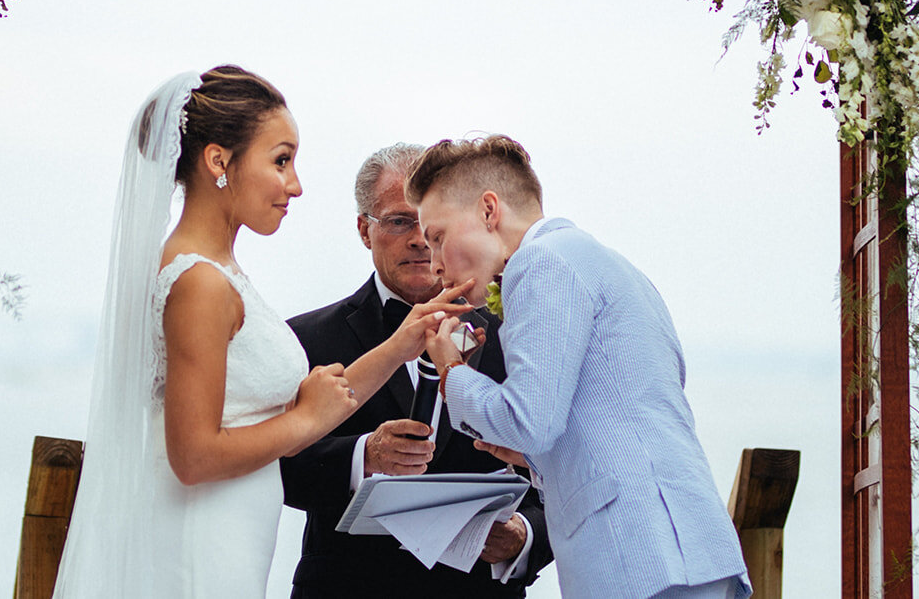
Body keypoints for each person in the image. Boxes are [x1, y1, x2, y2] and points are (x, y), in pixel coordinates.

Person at [53, 68, 473, 598]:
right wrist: (305, 422)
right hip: (200, 540)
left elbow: (305, 400)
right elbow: (194, 456)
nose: (295, 184)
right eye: (281, 160)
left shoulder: (218, 271)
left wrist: (399, 345)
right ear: (219, 162)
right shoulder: (200, 282)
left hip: (234, 532)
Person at [411, 136, 751, 599]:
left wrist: (451, 371)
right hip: (687, 549)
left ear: (489, 210)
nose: (433, 265)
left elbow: (529, 421)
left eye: (437, 238)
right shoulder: (615, 266)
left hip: (640, 556)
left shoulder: (540, 261)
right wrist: (530, 458)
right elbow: (629, 407)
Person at [281, 143, 551, 598]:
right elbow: (274, 469)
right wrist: (362, 456)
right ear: (365, 230)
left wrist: (524, 536)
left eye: (431, 227)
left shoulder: (516, 334)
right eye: (400, 221)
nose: (420, 240)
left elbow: (555, 457)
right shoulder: (304, 339)